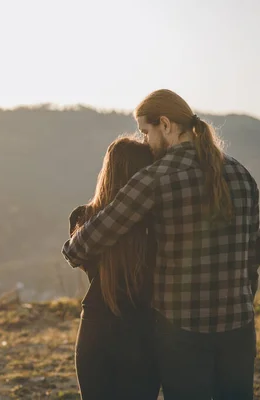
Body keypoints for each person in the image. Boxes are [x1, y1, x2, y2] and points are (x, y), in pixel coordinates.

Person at [63, 89, 260, 400]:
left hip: (182, 333)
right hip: (239, 328)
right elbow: (253, 258)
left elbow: (81, 247)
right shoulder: (241, 174)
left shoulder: (156, 178)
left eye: (146, 132)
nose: (145, 143)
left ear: (166, 124)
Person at [69, 135, 160, 399]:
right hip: (142, 331)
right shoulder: (155, 224)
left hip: (96, 328)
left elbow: (85, 264)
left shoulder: (82, 218)